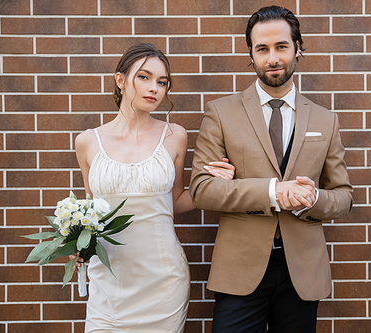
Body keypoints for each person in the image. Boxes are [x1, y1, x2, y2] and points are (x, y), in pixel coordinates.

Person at [189, 5, 353, 333]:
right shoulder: (221, 113)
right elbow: (202, 189)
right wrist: (272, 192)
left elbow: (343, 196)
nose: (273, 58)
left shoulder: (325, 120)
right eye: (262, 49)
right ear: (250, 54)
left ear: (297, 48)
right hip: (240, 269)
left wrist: (311, 198)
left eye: (281, 47)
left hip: (302, 272)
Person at [74, 43, 234, 332]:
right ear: (120, 80)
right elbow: (91, 210)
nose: (155, 89)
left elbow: (175, 202)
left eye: (162, 82)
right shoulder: (87, 141)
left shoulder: (174, 136)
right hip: (107, 281)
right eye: (144, 77)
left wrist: (211, 186)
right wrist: (79, 242)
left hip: (163, 280)